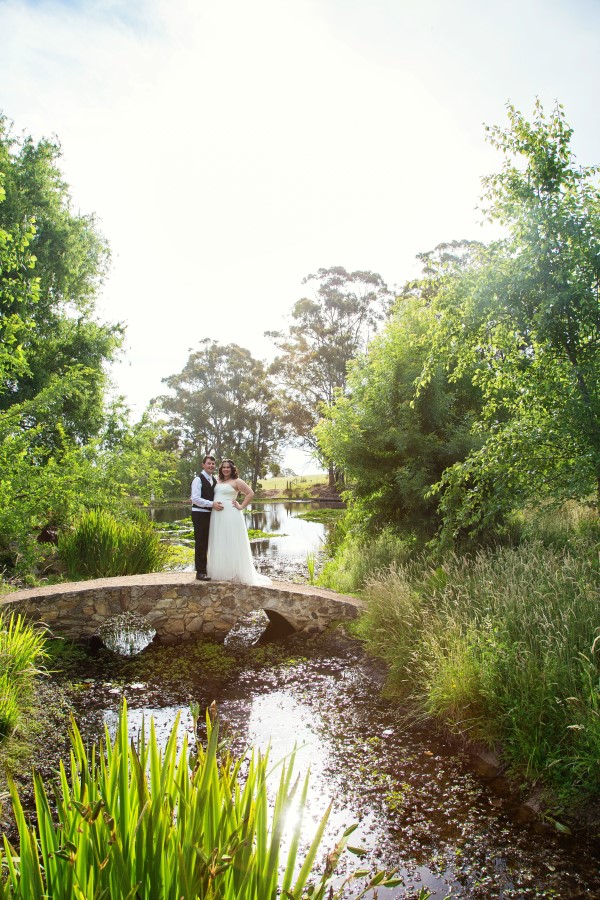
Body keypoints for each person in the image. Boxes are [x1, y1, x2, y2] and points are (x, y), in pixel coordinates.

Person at [207, 458, 271, 585]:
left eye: (228, 467)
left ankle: (235, 572)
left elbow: (250, 493)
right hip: (217, 514)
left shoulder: (237, 481)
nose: (225, 469)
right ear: (221, 469)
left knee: (232, 540)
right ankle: (222, 571)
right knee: (220, 540)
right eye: (223, 467)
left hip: (231, 513)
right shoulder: (217, 481)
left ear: (232, 469)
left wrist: (241, 506)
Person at [191, 455, 224, 581]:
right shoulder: (197, 480)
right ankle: (200, 572)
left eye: (213, 464)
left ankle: (209, 569)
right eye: (209, 463)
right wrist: (212, 504)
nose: (211, 466)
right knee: (201, 542)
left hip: (211, 514)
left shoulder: (214, 480)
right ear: (203, 465)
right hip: (199, 514)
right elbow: (195, 499)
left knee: (211, 542)